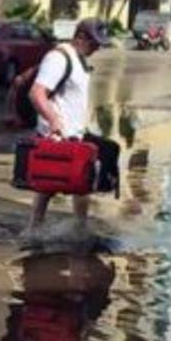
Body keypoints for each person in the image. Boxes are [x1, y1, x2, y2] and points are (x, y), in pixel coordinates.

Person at [26, 18, 110, 236]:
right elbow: (37, 93)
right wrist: (54, 121)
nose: (97, 48)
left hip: (74, 136)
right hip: (56, 137)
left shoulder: (79, 60)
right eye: (94, 43)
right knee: (48, 186)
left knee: (82, 183)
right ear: (80, 37)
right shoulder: (58, 58)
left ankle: (79, 228)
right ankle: (34, 230)